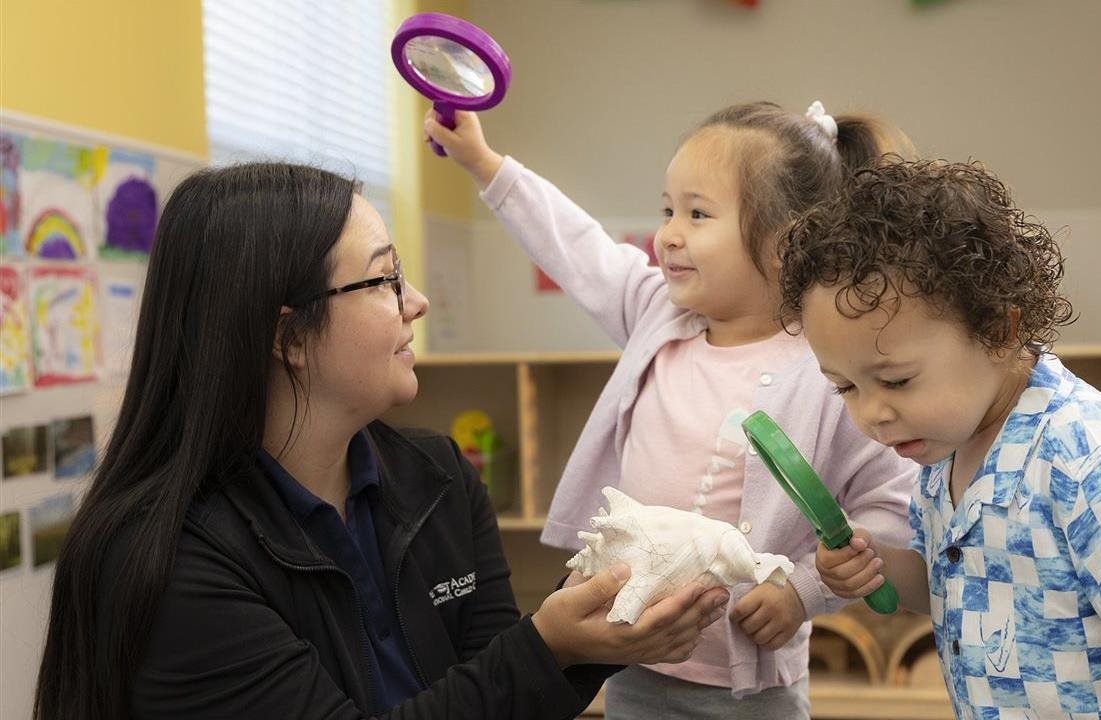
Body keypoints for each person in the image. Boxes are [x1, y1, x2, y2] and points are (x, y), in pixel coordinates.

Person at [33, 162, 729, 720]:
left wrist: (595, 637)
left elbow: (502, 690)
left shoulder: (436, 476)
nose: (417, 301)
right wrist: (548, 643)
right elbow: (511, 670)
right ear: (287, 337)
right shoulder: (170, 562)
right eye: (386, 278)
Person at [426, 101, 919, 718]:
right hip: (632, 657)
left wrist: (803, 590)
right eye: (668, 209)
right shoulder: (658, 314)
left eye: (698, 213)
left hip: (751, 686)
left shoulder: (827, 368)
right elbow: (577, 248)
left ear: (788, 239)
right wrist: (482, 161)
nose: (669, 233)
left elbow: (886, 502)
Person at [782, 159, 1101, 718]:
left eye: (896, 380)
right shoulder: (941, 453)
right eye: (845, 387)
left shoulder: (1084, 451)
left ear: (996, 330)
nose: (872, 414)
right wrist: (876, 565)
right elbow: (954, 586)